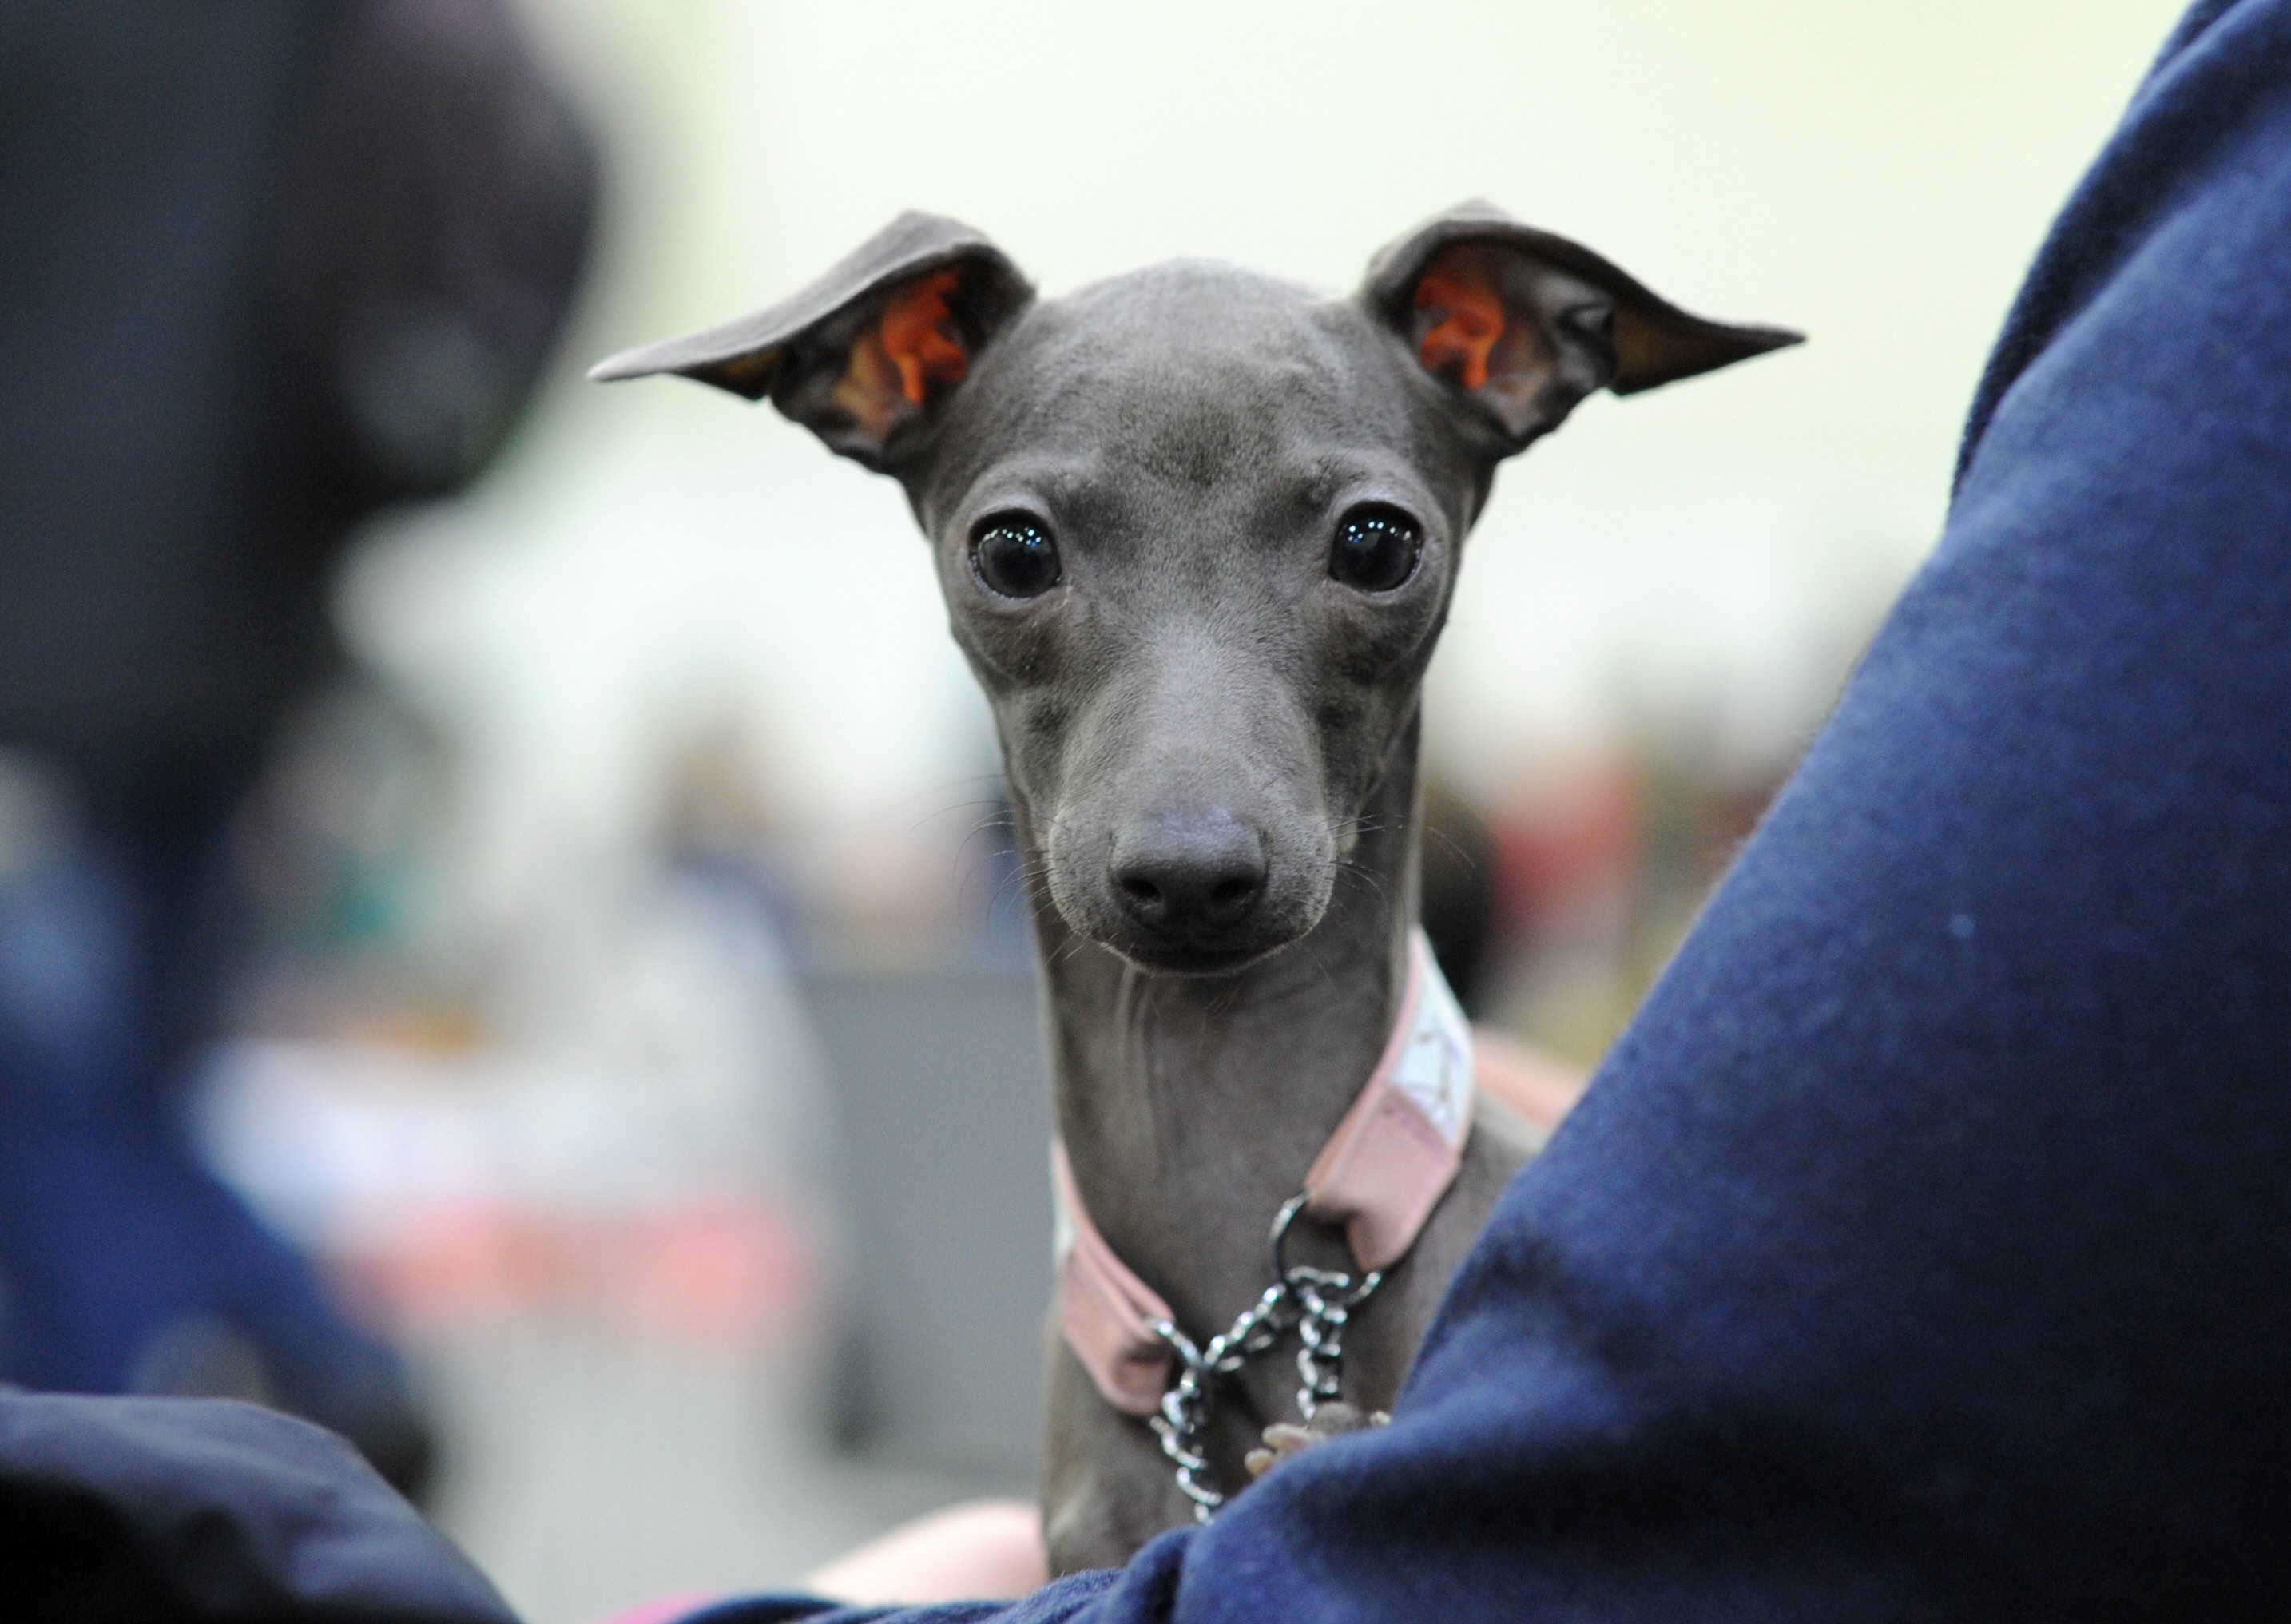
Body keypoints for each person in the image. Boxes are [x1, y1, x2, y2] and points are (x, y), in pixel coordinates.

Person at [7, 0, 2291, 1617]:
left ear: (1510, 363)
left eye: (1357, 548)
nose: (1192, 799)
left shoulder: (1571, 1304)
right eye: (1028, 555)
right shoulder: (1102, 1368)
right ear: (877, 387)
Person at [0, 0, 596, 1500]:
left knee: (53, 1098)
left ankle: (285, 1384)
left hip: (47, 636)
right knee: (116, 1072)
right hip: (250, 619)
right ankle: (252, 1405)